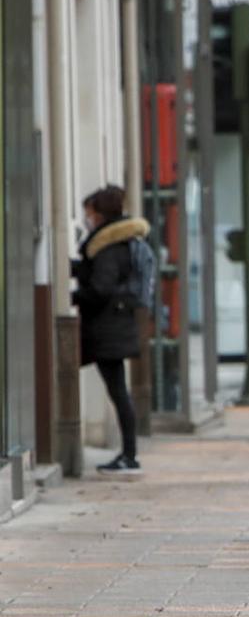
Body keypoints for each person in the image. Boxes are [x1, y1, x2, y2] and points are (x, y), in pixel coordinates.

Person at [74, 185, 150, 475]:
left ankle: (129, 456)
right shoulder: (117, 244)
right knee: (118, 389)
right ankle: (129, 454)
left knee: (118, 390)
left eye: (89, 213)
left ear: (100, 214)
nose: (87, 218)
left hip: (106, 329)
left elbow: (100, 288)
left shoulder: (107, 247)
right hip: (113, 326)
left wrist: (71, 297)